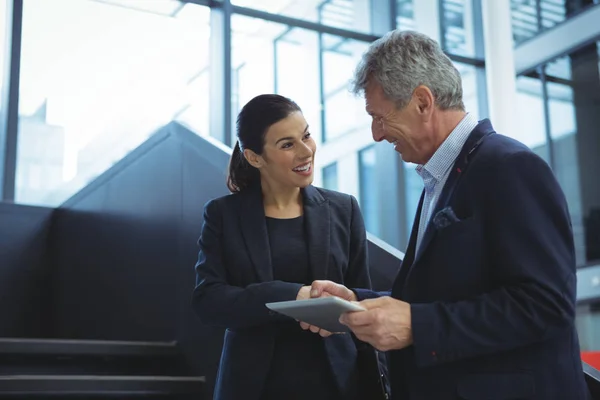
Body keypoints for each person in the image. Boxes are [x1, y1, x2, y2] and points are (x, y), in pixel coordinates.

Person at [305, 30, 591, 399]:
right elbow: (446, 293)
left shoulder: (510, 167)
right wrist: (356, 303)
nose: (376, 134)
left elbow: (547, 304)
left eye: (379, 117)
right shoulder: (437, 180)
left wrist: (417, 326)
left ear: (423, 102)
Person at [192, 94, 381, 400]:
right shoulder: (223, 215)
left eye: (306, 135)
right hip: (254, 386)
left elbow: (363, 300)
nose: (306, 151)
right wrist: (292, 295)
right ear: (255, 157)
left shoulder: (343, 208)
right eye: (287, 144)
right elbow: (208, 300)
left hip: (338, 383)